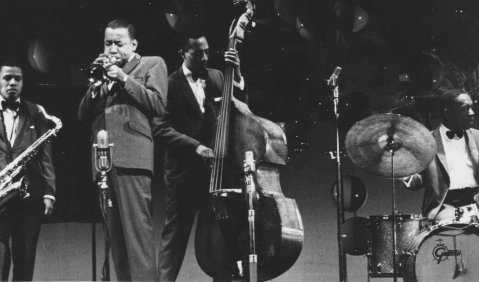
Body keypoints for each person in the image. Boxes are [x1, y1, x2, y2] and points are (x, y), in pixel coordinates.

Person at [78, 19, 167, 281]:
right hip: (103, 162)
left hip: (133, 159)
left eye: (119, 43)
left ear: (134, 44)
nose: (112, 48)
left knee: (137, 239)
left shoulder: (151, 63)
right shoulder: (102, 72)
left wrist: (124, 77)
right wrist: (95, 87)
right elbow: (83, 115)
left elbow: (158, 104)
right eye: (108, 43)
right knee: (116, 243)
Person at [154, 36, 245, 281]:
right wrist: (197, 147)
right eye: (197, 54)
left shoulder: (217, 76)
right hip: (183, 173)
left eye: (206, 52)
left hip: (217, 171)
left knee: (221, 236)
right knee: (175, 237)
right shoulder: (168, 83)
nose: (204, 58)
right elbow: (161, 129)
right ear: (182, 52)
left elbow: (239, 107)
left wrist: (235, 74)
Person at [0, 60, 56, 281]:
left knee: (25, 260)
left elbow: (46, 153)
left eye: (18, 78)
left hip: (28, 194)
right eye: (7, 78)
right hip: (1, 194)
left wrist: (49, 191)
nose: (13, 82)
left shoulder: (36, 111)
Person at [404, 89, 479, 223]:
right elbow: (413, 184)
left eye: (471, 108)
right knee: (453, 229)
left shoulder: (477, 137)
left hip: (476, 199)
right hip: (444, 205)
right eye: (465, 109)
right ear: (447, 113)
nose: (472, 113)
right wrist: (398, 164)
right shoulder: (426, 143)